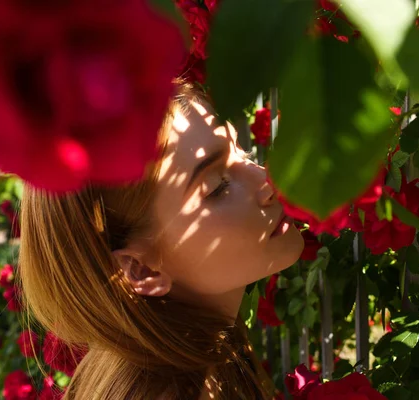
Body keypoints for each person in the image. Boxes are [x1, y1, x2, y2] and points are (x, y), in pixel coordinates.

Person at [18, 82, 305, 399]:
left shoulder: (197, 359)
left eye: (242, 151)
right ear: (140, 269)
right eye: (217, 187)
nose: (266, 179)